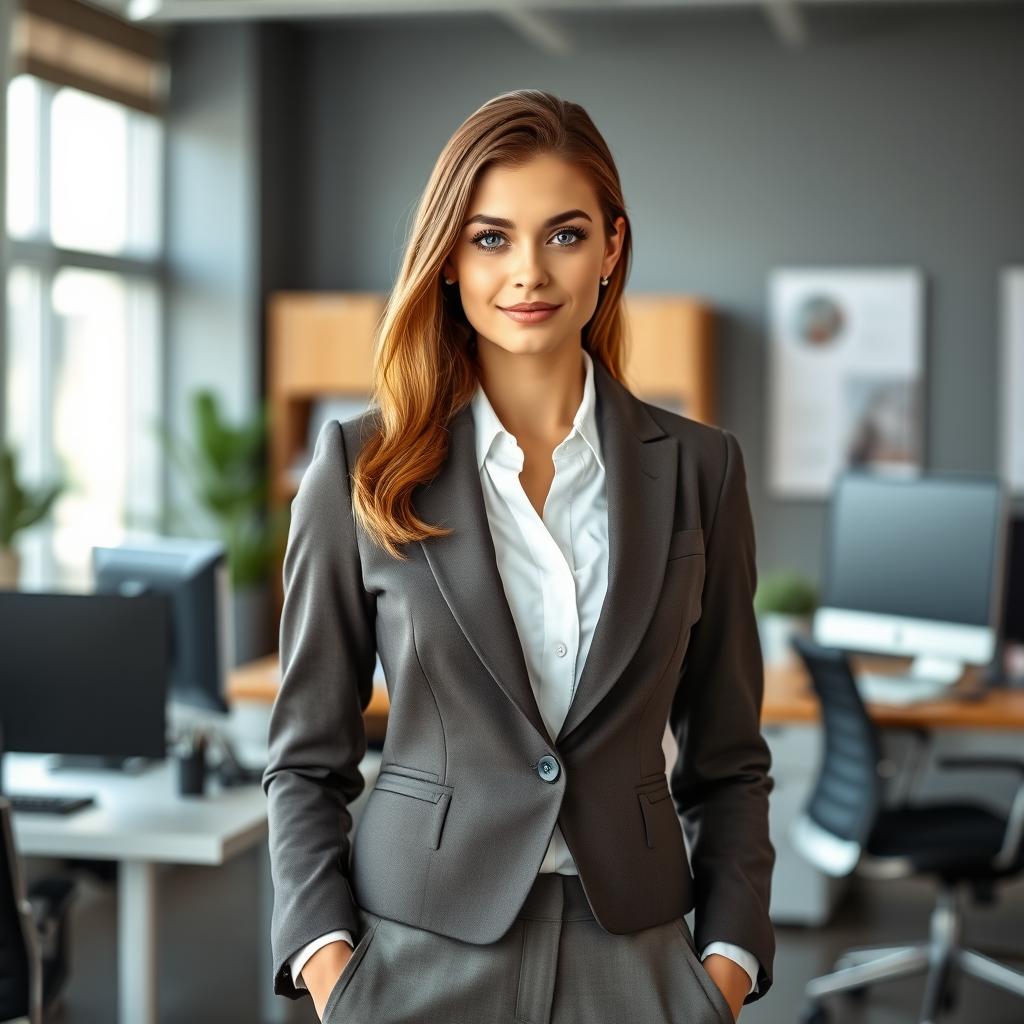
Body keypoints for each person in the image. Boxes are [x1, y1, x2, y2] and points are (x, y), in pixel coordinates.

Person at [262, 89, 775, 1024]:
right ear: (449, 257)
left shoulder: (704, 469)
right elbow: (305, 761)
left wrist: (728, 964)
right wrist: (331, 967)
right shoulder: (359, 465)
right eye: (491, 237)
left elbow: (730, 759)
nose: (528, 272)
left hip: (642, 956)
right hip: (415, 951)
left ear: (613, 248)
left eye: (565, 235)